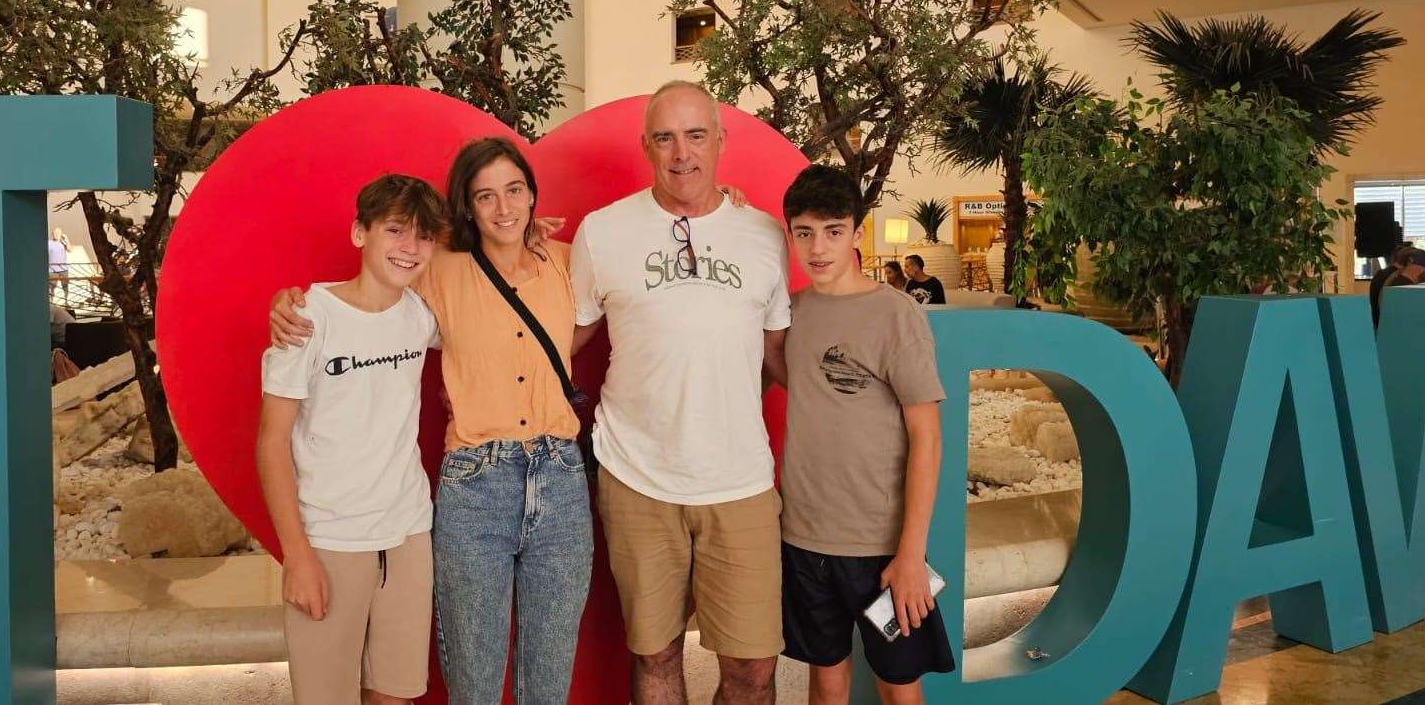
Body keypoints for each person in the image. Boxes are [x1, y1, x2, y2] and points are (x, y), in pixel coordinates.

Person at [270, 138, 597, 704]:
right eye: (486, 196)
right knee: (473, 673)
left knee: (549, 670)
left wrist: (725, 201)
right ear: (468, 208)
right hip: (477, 479)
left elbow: (619, 295)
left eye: (514, 191)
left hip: (559, 475)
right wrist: (286, 301)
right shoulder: (436, 272)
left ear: (532, 195)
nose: (503, 207)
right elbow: (375, 280)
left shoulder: (567, 261)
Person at [570, 79, 791, 704]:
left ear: (720, 142)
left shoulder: (765, 234)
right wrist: (477, 373)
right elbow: (565, 336)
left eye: (696, 135)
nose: (681, 153)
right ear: (645, 146)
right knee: (656, 656)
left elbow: (777, 352)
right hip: (637, 476)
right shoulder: (602, 231)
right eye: (665, 138)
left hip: (741, 481)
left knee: (753, 670)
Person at [257, 174, 446, 705]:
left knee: (396, 693)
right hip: (329, 540)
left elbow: (491, 293)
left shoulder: (421, 315)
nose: (410, 248)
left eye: (424, 236)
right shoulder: (307, 319)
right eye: (395, 231)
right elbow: (271, 443)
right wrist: (297, 558)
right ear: (360, 233)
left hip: (408, 534)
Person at [777, 166, 954, 705]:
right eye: (804, 232)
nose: (818, 247)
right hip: (803, 539)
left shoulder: (895, 315)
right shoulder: (790, 314)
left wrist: (911, 554)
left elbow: (928, 438)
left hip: (881, 548)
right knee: (825, 677)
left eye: (833, 231)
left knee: (898, 685)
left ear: (857, 233)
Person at [1369, 245, 1414, 327]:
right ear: (1410, 260)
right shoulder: (1402, 279)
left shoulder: (1380, 274)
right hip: (1393, 325)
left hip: (1376, 322)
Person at [48, 228, 70, 301]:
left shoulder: (63, 243)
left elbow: (70, 250)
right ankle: (51, 302)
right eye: (55, 233)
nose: (56, 234)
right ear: (52, 234)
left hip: (64, 269)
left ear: (61, 234)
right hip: (52, 270)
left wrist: (67, 239)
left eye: (58, 233)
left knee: (65, 286)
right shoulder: (48, 243)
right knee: (52, 287)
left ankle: (66, 301)